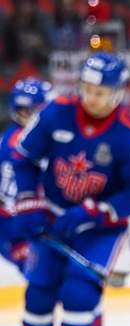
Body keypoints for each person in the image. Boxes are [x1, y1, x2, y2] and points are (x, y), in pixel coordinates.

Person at [2, 52, 130, 326]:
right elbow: (22, 158)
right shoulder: (57, 111)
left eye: (100, 92)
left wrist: (97, 210)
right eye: (87, 88)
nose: (91, 97)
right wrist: (29, 201)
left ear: (118, 92)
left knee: (79, 294)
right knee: (38, 293)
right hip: (54, 216)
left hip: (100, 229)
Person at [0, 78, 52, 275]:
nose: (26, 116)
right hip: (16, 221)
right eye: (22, 111)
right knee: (39, 274)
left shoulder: (10, 136)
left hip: (24, 217)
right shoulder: (24, 139)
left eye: (32, 111)